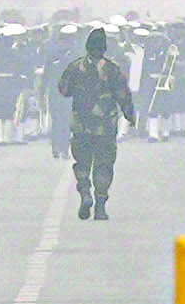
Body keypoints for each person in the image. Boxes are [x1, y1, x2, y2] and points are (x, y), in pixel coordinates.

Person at [55, 27, 134, 220]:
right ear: (104, 47)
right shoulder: (113, 69)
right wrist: (130, 115)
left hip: (81, 124)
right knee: (104, 164)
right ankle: (100, 205)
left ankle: (85, 192)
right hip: (105, 126)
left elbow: (64, 90)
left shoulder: (75, 67)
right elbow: (123, 95)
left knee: (82, 162)